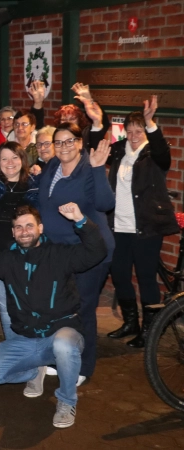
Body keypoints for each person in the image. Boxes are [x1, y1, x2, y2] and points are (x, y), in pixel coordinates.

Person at [0, 203, 107, 428]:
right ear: (13, 232)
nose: (24, 231)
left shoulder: (60, 254)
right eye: (18, 227)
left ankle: (66, 401)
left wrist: (80, 220)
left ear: (40, 228)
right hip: (26, 338)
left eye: (29, 226)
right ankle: (33, 370)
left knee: (64, 346)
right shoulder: (7, 259)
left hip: (61, 333)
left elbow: (96, 252)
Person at [37, 123, 114, 384]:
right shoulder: (52, 167)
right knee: (61, 307)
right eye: (58, 142)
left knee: (83, 308)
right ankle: (61, 357)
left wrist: (98, 169)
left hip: (89, 251)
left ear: (80, 143)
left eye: (70, 141)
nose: (64, 147)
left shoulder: (89, 168)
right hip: (60, 252)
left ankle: (83, 367)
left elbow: (106, 203)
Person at [106, 97, 178, 348]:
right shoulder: (118, 151)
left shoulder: (153, 153)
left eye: (139, 131)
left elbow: (163, 154)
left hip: (146, 227)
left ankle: (150, 330)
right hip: (119, 226)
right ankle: (130, 323)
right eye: (130, 131)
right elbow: (95, 149)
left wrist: (150, 123)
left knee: (146, 277)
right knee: (120, 274)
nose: (134, 136)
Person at [0, 142, 39, 339]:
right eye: (4, 158)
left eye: (15, 157)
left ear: (22, 159)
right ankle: (13, 348)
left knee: (31, 305)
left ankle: (33, 349)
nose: (10, 163)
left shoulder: (34, 185)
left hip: (29, 260)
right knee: (6, 308)